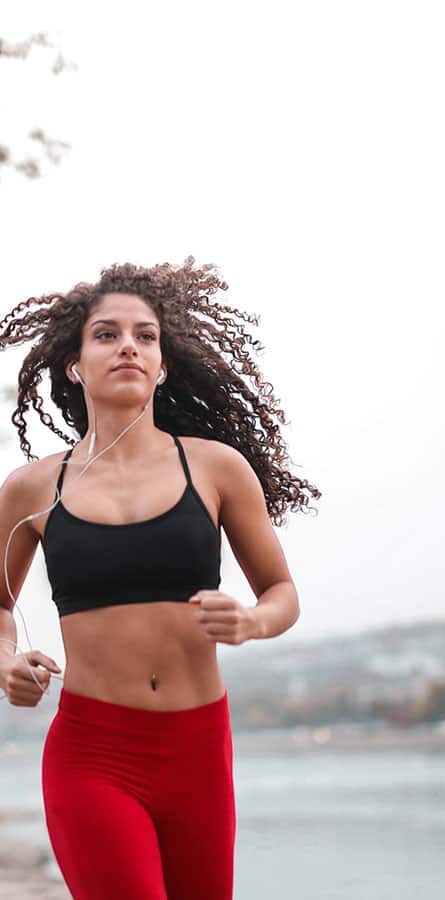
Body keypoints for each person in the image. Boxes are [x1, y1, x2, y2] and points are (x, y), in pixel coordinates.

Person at [0, 256, 321, 899]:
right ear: (75, 364)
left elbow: (282, 593)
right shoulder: (32, 487)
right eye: (107, 334)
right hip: (92, 753)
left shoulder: (216, 468)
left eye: (145, 336)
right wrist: (5, 659)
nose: (129, 347)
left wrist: (251, 621)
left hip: (198, 749)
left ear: (162, 365)